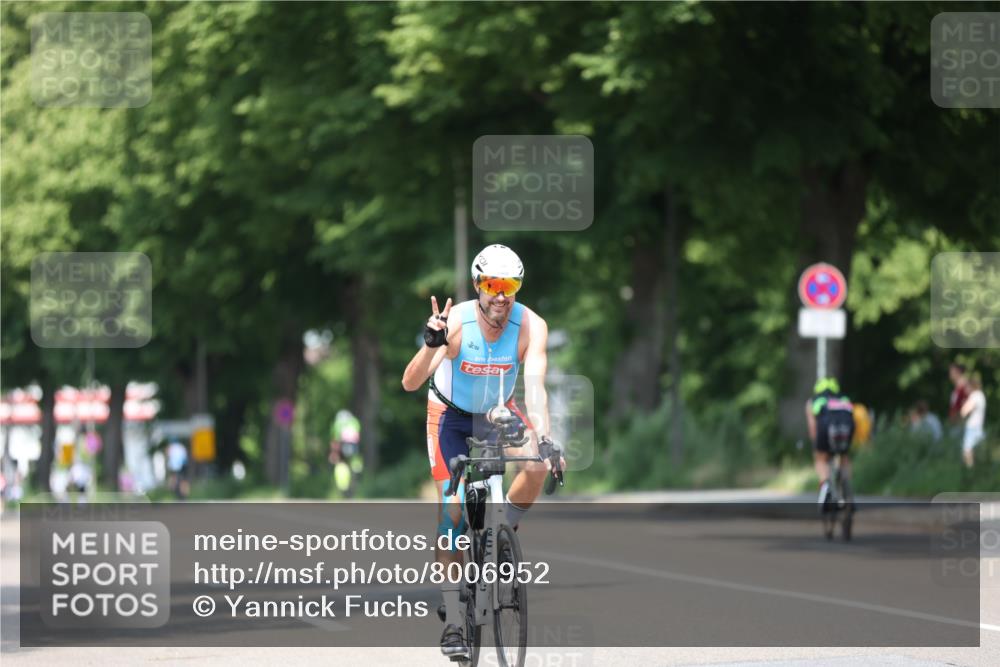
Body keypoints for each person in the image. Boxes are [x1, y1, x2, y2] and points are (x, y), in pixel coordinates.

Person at [401, 244, 552, 658]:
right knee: (452, 509)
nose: (501, 295)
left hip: (497, 414)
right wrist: (431, 345)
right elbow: (411, 383)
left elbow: (535, 388)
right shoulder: (456, 323)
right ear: (477, 285)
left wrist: (547, 437)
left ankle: (503, 535)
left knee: (539, 464)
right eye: (492, 285)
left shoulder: (531, 325)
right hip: (448, 416)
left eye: (510, 285)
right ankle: (453, 618)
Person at [805, 377, 856, 508]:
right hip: (846, 428)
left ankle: (825, 485)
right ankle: (847, 490)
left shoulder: (813, 401)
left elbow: (813, 428)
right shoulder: (844, 399)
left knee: (820, 459)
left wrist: (817, 447)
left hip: (825, 428)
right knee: (844, 458)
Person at [329, 409, 363, 496]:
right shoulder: (354, 421)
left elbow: (335, 439)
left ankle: (343, 486)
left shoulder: (338, 423)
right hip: (354, 446)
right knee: (354, 462)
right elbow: (358, 436)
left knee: (341, 463)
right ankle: (356, 468)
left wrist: (334, 453)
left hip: (343, 445)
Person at [960, 375, 987, 468]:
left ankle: (970, 470)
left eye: (967, 386)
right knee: (979, 452)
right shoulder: (981, 395)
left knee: (967, 450)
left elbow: (964, 411)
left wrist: (964, 404)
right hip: (979, 426)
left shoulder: (975, 395)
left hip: (972, 427)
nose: (966, 388)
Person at [948, 363, 971, 433]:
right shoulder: (957, 387)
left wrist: (959, 418)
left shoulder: (964, 386)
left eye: (951, 372)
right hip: (956, 423)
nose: (950, 374)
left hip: (962, 424)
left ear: (958, 372)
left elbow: (967, 405)